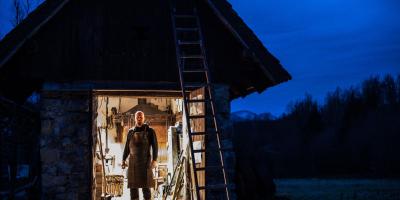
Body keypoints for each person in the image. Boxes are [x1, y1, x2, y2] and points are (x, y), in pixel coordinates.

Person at [122, 111, 158, 200]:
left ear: (143, 118)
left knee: (146, 187)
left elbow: (155, 145)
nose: (139, 118)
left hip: (145, 163)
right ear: (135, 118)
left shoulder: (150, 131)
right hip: (133, 163)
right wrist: (123, 159)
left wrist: (155, 160)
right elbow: (127, 147)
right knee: (133, 189)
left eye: (141, 117)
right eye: (137, 117)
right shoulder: (130, 132)